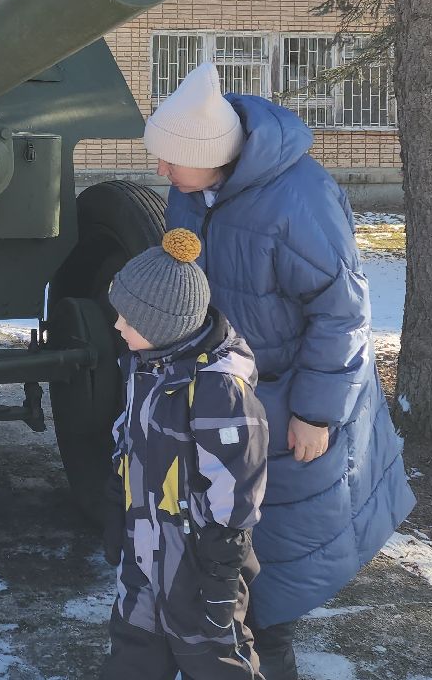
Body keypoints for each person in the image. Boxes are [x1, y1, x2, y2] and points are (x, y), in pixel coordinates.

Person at [143, 60, 416, 679]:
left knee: (270, 597)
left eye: (168, 159)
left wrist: (317, 413)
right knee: (228, 576)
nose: (159, 170)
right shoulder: (192, 187)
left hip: (293, 406)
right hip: (225, 399)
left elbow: (343, 314)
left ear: (211, 153)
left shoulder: (300, 200)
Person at [100, 228, 267, 680]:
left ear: (161, 327)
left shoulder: (218, 389)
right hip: (144, 552)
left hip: (196, 566)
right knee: (132, 655)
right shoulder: (145, 366)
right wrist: (118, 498)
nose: (118, 326)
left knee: (215, 660)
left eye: (127, 321)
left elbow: (238, 482)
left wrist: (221, 565)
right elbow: (129, 437)